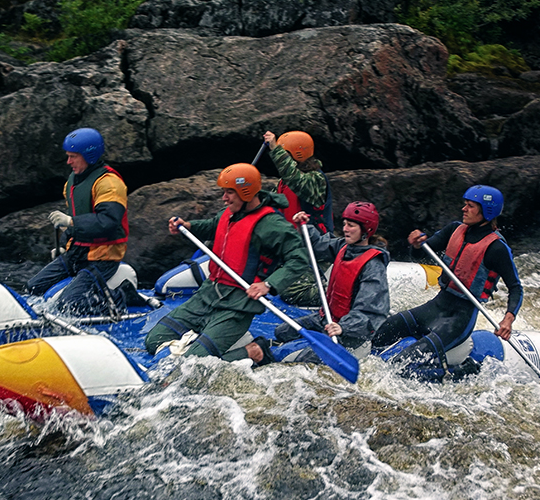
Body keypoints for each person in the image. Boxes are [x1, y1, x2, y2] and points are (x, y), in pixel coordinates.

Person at [143, 163, 309, 365]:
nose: (224, 198)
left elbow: (299, 258)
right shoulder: (228, 213)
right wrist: (188, 226)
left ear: (245, 192)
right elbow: (213, 226)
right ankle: (200, 343)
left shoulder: (272, 225)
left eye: (229, 192)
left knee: (191, 365)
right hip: (208, 294)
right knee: (153, 341)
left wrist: (268, 284)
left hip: (238, 305)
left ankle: (254, 351)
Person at [371, 185, 523, 380]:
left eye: (470, 206)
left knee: (402, 366)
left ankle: (464, 371)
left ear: (487, 211)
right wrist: (417, 245)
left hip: (459, 319)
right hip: (436, 306)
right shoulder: (454, 229)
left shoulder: (497, 248)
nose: (464, 209)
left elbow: (516, 287)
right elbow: (420, 255)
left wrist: (508, 319)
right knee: (381, 333)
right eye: (465, 204)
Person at [25, 127, 133, 315]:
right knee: (33, 287)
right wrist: (63, 244)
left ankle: (120, 298)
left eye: (73, 156)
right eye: (68, 156)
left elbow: (108, 222)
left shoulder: (109, 183)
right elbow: (78, 216)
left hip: (102, 258)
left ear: (89, 155)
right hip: (77, 253)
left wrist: (71, 222)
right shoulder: (73, 182)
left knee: (69, 304)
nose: (69, 162)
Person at [274, 202, 391, 363]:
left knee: (304, 361)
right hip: (327, 319)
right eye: (344, 224)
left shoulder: (373, 265)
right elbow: (319, 244)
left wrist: (344, 327)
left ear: (365, 230)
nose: (345, 229)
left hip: (351, 332)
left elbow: (371, 311)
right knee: (282, 332)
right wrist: (304, 227)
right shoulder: (343, 246)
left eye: (351, 225)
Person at [263, 130, 334, 306]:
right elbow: (268, 204)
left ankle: (338, 293)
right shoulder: (284, 182)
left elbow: (297, 181)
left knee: (290, 292)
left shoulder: (315, 179)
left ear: (297, 154)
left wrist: (274, 148)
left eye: (285, 154)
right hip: (291, 250)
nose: (281, 160)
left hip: (316, 254)